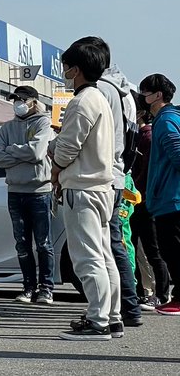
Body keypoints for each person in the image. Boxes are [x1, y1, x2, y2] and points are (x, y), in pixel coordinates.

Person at [50, 40, 118, 340]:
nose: (64, 71)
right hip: (102, 186)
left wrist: (53, 153)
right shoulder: (101, 98)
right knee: (104, 256)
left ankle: (97, 321)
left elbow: (66, 149)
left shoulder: (81, 101)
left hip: (82, 187)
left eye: (66, 66)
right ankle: (112, 317)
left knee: (87, 258)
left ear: (75, 69)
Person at [78, 37, 143, 327]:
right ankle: (120, 311)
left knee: (101, 251)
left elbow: (82, 139)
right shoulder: (124, 91)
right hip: (116, 174)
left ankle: (110, 314)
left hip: (99, 177)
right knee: (113, 247)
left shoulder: (97, 91)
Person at [0, 85, 56, 304]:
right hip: (15, 191)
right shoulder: (7, 127)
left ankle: (46, 287)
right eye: (15, 100)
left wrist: (12, 150)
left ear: (33, 102)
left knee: (43, 243)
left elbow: (37, 152)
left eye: (21, 100)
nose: (17, 104)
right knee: (21, 243)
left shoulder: (43, 123)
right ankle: (28, 287)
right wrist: (23, 152)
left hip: (40, 191)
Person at [139, 73, 180, 316]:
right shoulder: (170, 118)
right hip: (168, 198)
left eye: (145, 92)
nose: (142, 97)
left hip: (170, 199)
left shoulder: (165, 121)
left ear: (157, 95)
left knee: (171, 250)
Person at [130, 93, 170, 309]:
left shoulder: (148, 136)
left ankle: (162, 295)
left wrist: (137, 190)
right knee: (136, 248)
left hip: (144, 200)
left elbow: (145, 172)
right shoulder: (139, 135)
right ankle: (144, 293)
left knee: (152, 250)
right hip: (139, 200)